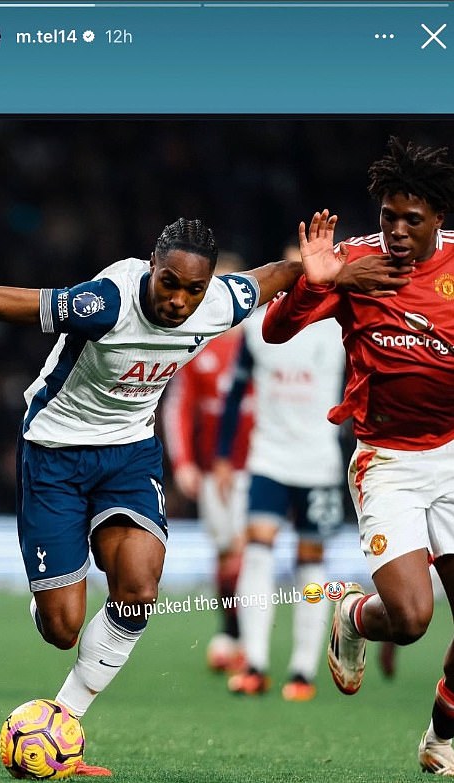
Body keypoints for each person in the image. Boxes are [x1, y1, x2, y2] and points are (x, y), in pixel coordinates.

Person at [0, 214, 407, 776]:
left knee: (140, 588)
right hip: (54, 451)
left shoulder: (219, 303)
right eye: (170, 283)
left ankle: (65, 717)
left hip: (130, 453)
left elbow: (283, 274)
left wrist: (333, 275)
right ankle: (51, 599)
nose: (179, 300)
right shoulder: (104, 303)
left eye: (194, 289)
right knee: (61, 628)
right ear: (151, 267)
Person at [262, 137, 454, 775]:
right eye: (387, 217)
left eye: (412, 220)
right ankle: (352, 614)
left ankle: (442, 738)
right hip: (388, 461)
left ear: (439, 219)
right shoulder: (356, 266)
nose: (396, 232)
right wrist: (324, 279)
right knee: (411, 619)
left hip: (452, 454)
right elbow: (275, 330)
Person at [214, 283, 345, 700]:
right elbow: (234, 393)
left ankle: (303, 671)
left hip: (318, 462)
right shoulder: (258, 329)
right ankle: (254, 663)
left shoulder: (339, 328)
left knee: (310, 561)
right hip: (267, 459)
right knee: (257, 550)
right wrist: (221, 457)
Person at [163, 252, 254, 673]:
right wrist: (183, 463)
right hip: (212, 468)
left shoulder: (264, 341)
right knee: (225, 554)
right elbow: (179, 408)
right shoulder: (198, 345)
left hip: (256, 467)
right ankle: (231, 630)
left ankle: (245, 641)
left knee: (245, 551)